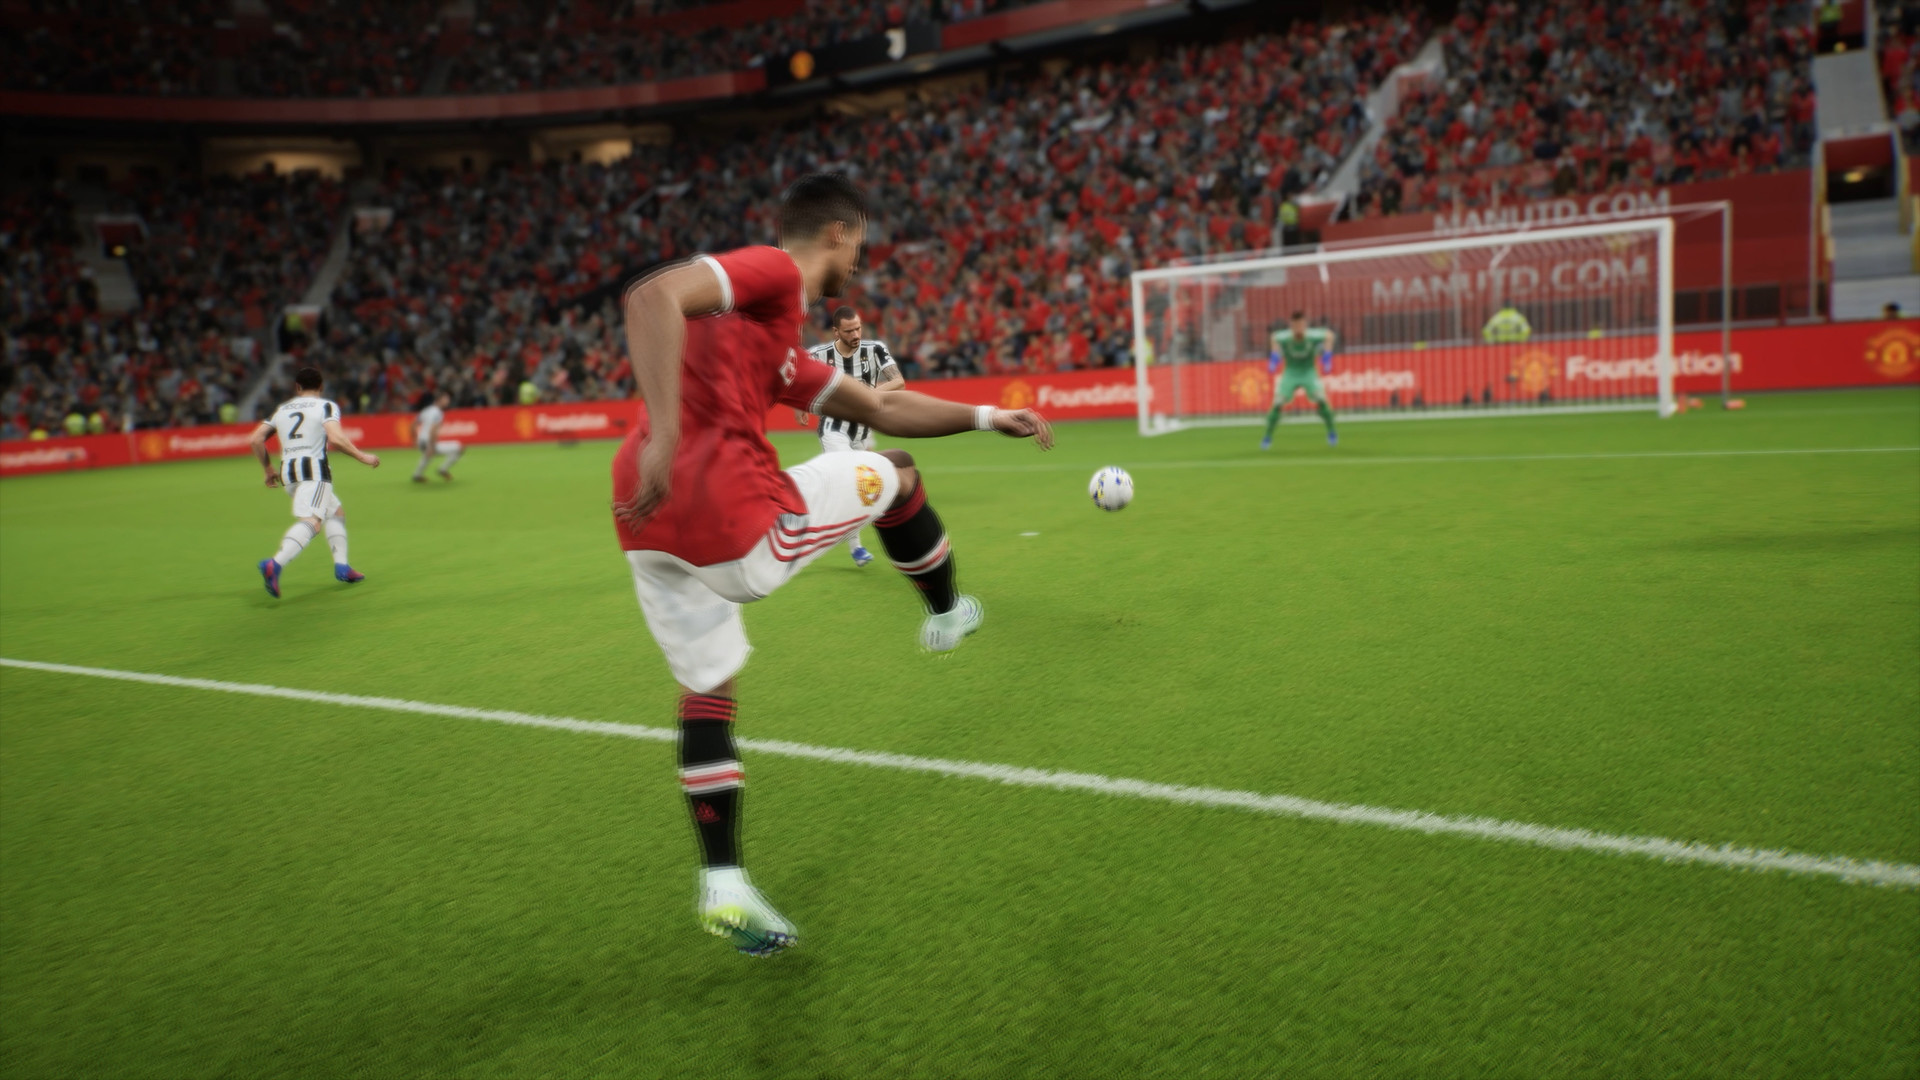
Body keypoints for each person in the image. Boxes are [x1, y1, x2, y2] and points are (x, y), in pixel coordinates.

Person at [611, 173, 1052, 957]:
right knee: (897, 474)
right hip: (732, 519)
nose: (860, 262)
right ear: (839, 234)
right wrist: (669, 435)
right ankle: (947, 612)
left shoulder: (770, 350)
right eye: (861, 245)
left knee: (709, 686)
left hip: (645, 520)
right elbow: (649, 297)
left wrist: (988, 416)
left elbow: (880, 406)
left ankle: (724, 883)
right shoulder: (777, 270)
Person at [249, 366, 380, 598]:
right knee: (313, 522)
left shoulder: (283, 409)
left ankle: (342, 566)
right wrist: (363, 457)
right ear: (321, 386)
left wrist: (268, 468)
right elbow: (336, 438)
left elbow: (256, 438)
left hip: (289, 474)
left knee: (336, 512)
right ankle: (275, 564)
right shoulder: (326, 406)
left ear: (297, 387)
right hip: (314, 472)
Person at [807, 305, 904, 566]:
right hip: (833, 430)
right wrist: (799, 407)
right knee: (851, 481)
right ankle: (856, 547)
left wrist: (867, 394)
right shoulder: (819, 355)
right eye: (849, 331)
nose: (856, 334)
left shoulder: (875, 349)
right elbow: (796, 378)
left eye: (858, 328)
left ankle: (816, 511)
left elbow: (898, 381)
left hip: (862, 432)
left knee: (857, 487)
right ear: (836, 331)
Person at [1260, 310, 1338, 449]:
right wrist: (1274, 356)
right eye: (1296, 326)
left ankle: (1331, 431)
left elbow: (1330, 335)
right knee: (1278, 402)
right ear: (1291, 326)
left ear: (1305, 325)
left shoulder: (1312, 335)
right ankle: (1267, 436)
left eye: (1301, 325)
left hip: (1309, 372)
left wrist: (1327, 355)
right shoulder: (1285, 337)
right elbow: (1274, 337)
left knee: (1321, 399)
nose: (1298, 329)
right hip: (1290, 372)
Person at [412, 391, 464, 482]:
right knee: (460, 447)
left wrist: (415, 439)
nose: (448, 401)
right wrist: (431, 445)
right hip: (429, 441)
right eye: (446, 399)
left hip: (421, 441)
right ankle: (443, 469)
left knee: (428, 455)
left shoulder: (426, 410)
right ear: (440, 400)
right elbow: (433, 429)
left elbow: (413, 425)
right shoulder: (438, 413)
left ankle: (417, 475)